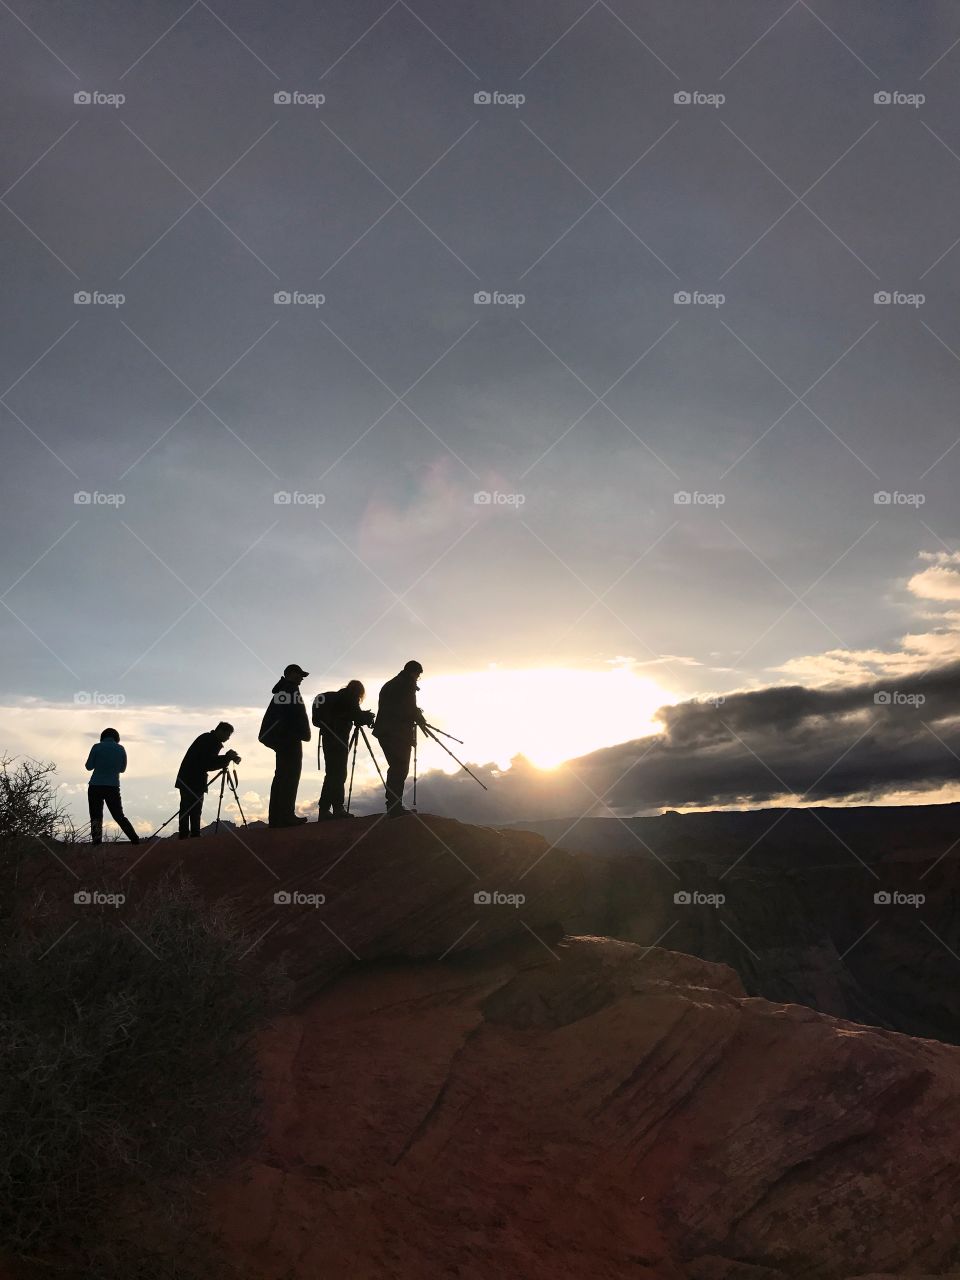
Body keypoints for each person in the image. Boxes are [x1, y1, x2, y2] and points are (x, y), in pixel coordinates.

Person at [313, 680, 375, 819]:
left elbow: (350, 714)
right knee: (340, 773)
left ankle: (324, 810)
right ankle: (338, 808)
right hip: (339, 739)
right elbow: (357, 717)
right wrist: (366, 717)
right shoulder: (350, 698)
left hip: (328, 738)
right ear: (358, 692)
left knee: (331, 773)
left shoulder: (337, 698)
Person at [259, 663, 310, 827]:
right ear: (290, 674)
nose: (301, 678)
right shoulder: (289, 689)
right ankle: (285, 816)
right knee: (289, 776)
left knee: (283, 776)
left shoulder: (285, 689)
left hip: (285, 739)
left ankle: (278, 817)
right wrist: (290, 734)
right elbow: (285, 715)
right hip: (289, 740)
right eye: (299, 674)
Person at [373, 660, 426, 817]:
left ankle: (393, 805)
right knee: (400, 768)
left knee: (395, 767)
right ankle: (394, 808)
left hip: (384, 732)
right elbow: (408, 708)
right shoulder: (406, 684)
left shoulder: (390, 684)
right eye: (418, 675)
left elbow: (398, 707)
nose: (417, 679)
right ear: (413, 673)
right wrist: (420, 718)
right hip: (396, 733)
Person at [174, 722, 239, 839]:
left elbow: (207, 762)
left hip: (188, 779)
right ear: (220, 731)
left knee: (189, 808)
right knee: (191, 808)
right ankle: (190, 836)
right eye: (228, 735)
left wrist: (226, 758)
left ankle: (188, 835)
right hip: (192, 780)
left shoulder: (207, 738)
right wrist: (226, 758)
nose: (228, 738)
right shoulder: (211, 742)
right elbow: (208, 764)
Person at [85, 727, 140, 845]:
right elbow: (122, 769)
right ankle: (135, 840)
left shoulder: (97, 747)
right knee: (119, 815)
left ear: (102, 737)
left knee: (96, 817)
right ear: (117, 738)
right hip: (112, 786)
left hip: (95, 785)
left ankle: (96, 844)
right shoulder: (121, 749)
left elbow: (88, 766)